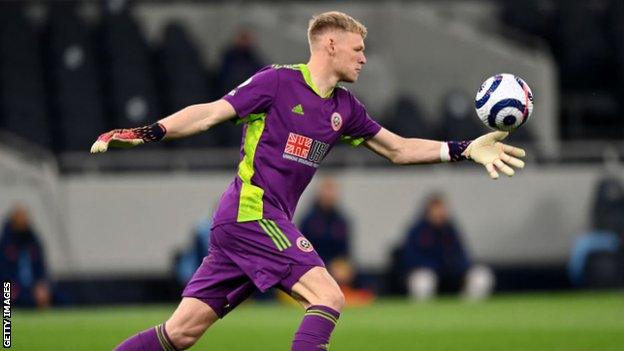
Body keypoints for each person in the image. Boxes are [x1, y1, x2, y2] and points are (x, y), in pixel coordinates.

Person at [91, 11, 526, 351]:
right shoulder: (277, 82)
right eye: (357, 48)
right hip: (251, 212)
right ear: (330, 45)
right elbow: (208, 113)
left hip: (249, 224)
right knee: (329, 296)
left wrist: (464, 148)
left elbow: (398, 148)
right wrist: (150, 132)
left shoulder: (346, 108)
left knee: (181, 334)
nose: (364, 57)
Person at [402, 194, 494, 301]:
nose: (439, 213)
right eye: (436, 210)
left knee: (481, 275)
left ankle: (469, 310)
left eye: (442, 210)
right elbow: (411, 259)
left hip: (453, 274)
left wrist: (457, 268)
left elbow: (462, 255)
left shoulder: (450, 229)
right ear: (428, 211)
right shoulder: (418, 231)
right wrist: (437, 266)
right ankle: (424, 314)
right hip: (429, 273)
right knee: (422, 280)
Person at [0, 204, 51, 309]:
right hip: (10, 286)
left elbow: (41, 268)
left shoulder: (33, 242)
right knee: (7, 297)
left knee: (60, 298)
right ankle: (7, 323)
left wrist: (41, 285)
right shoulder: (5, 245)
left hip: (31, 287)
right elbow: (3, 271)